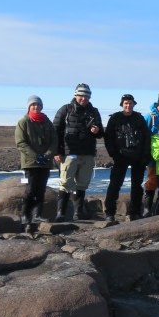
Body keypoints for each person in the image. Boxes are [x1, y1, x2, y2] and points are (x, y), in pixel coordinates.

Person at [52, 83, 104, 221]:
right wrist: (57, 151)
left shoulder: (94, 111)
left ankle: (78, 213)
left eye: (86, 96)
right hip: (69, 153)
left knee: (82, 183)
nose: (83, 98)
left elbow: (101, 133)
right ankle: (61, 214)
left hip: (87, 152)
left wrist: (97, 131)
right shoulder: (65, 110)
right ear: (76, 95)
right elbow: (55, 130)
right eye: (81, 95)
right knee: (65, 183)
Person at [104, 94, 150, 222]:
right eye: (125, 103)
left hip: (137, 156)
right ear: (122, 104)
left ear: (134, 104)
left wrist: (145, 155)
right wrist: (113, 154)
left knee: (137, 186)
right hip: (120, 156)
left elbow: (146, 137)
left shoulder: (139, 118)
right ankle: (110, 213)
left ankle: (135, 212)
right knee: (115, 185)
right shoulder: (115, 118)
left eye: (130, 103)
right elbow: (108, 137)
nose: (128, 105)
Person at [15, 95, 57, 228]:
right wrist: (35, 156)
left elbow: (54, 140)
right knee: (30, 190)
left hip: (45, 163)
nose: (36, 107)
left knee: (41, 190)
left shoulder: (47, 122)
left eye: (38, 105)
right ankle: (25, 215)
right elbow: (20, 143)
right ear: (29, 107)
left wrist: (47, 155)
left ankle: (37, 215)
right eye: (33, 105)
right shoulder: (23, 122)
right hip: (30, 163)